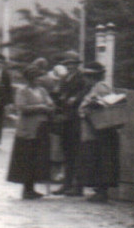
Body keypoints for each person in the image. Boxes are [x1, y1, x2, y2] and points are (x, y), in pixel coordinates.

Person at [6, 59, 54, 199]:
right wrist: (41, 107)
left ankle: (32, 187)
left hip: (40, 129)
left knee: (38, 158)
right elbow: (21, 107)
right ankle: (27, 188)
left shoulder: (42, 90)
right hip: (27, 130)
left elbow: (51, 104)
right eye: (36, 78)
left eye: (39, 77)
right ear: (30, 79)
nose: (39, 80)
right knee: (27, 159)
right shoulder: (22, 91)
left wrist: (48, 107)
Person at [77, 61, 122, 202]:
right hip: (98, 129)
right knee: (98, 159)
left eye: (87, 76)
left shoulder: (100, 87)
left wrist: (87, 109)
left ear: (92, 76)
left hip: (100, 130)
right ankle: (99, 190)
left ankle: (102, 192)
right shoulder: (98, 87)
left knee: (101, 159)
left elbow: (102, 106)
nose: (85, 79)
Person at [52, 61, 89, 196]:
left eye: (72, 64)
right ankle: (66, 184)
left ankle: (78, 186)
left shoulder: (82, 78)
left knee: (77, 153)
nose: (69, 67)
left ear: (77, 65)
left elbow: (85, 92)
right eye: (67, 65)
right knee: (66, 152)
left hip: (76, 119)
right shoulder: (64, 79)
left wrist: (75, 98)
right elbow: (59, 94)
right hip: (65, 118)